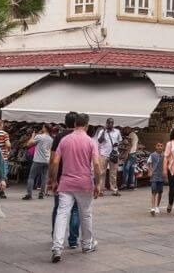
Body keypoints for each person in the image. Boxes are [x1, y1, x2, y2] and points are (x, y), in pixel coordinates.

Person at [48, 112, 102, 263]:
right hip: (84, 184)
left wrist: (53, 180)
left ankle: (57, 247)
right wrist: (97, 183)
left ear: (74, 123)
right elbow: (97, 165)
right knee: (86, 215)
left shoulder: (65, 140)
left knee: (62, 214)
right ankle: (86, 244)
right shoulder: (91, 142)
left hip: (65, 183)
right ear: (87, 125)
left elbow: (55, 161)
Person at [48, 114, 80, 250]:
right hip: (78, 178)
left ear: (65, 122)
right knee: (75, 210)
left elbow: (53, 159)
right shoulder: (82, 137)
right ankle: (73, 240)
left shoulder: (59, 137)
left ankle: (56, 237)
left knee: (58, 208)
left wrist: (52, 179)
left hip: (61, 177)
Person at [23, 124, 53, 200]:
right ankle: (41, 194)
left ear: (45, 128)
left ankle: (29, 194)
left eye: (43, 127)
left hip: (37, 160)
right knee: (44, 177)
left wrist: (33, 136)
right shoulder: (51, 139)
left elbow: (29, 144)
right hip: (46, 160)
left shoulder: (39, 136)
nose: (42, 128)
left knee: (31, 176)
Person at [94, 119, 122, 196]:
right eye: (108, 123)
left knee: (113, 173)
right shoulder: (102, 131)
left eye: (111, 123)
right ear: (106, 123)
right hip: (103, 154)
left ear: (113, 124)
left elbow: (120, 141)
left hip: (114, 154)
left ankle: (114, 190)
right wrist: (104, 131)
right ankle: (101, 190)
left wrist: (117, 145)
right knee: (102, 172)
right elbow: (99, 141)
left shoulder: (117, 131)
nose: (110, 124)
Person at [147, 142, 166, 216]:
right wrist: (150, 171)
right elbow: (149, 163)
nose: (160, 147)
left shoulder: (165, 155)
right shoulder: (152, 155)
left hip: (161, 176)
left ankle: (157, 206)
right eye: (158, 146)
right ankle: (153, 207)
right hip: (154, 175)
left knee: (160, 192)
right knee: (153, 191)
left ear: (163, 147)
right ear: (155, 147)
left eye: (161, 146)